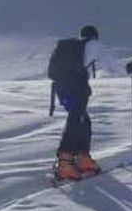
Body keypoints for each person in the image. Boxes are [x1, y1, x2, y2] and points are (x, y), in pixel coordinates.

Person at [47, 24, 115, 180]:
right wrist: (129, 71)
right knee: (77, 119)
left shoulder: (72, 47)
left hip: (64, 90)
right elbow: (111, 65)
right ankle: (65, 162)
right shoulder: (91, 46)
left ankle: (81, 157)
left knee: (82, 119)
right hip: (75, 90)